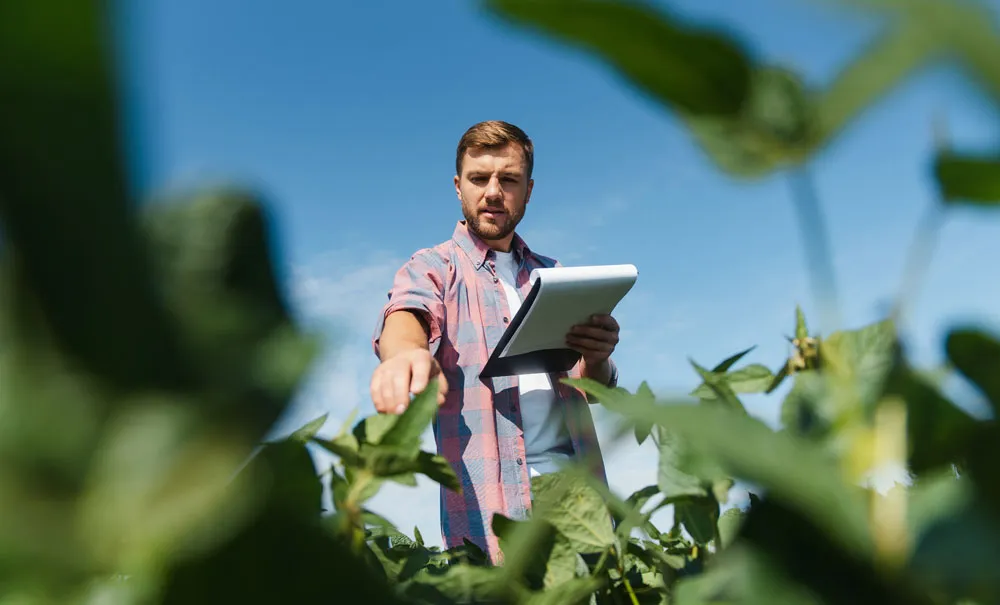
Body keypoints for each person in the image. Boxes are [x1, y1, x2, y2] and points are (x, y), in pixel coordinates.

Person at [369, 120, 621, 562]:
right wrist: (404, 354)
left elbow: (594, 386)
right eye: (478, 178)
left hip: (582, 501)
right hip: (493, 512)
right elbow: (407, 313)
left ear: (528, 190)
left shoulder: (555, 274)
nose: (492, 191)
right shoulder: (434, 267)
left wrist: (598, 356)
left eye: (508, 179)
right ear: (457, 186)